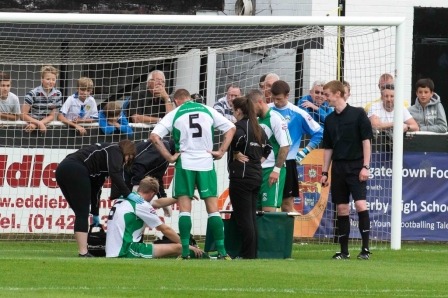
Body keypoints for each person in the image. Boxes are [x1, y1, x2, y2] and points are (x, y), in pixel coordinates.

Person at [150, 88, 236, 260]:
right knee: (213, 210)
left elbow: (154, 136)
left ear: (176, 101)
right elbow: (231, 128)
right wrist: (221, 151)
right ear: (190, 98)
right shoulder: (206, 109)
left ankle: (184, 252)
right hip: (205, 161)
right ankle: (222, 252)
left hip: (185, 162)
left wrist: (169, 157)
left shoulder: (175, 113)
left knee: (185, 210)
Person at [56, 140, 143, 257]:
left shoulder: (100, 166)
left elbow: (96, 189)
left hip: (62, 169)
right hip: (76, 168)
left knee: (80, 212)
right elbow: (115, 173)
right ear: (126, 151)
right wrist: (128, 193)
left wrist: (95, 213)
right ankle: (83, 252)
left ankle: (83, 249)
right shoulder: (115, 150)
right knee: (82, 213)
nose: (126, 160)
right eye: (128, 157)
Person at [320, 80, 373, 260]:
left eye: (327, 94)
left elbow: (366, 141)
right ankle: (344, 251)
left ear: (338, 94)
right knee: (342, 208)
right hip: (339, 168)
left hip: (356, 166)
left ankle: (365, 249)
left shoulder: (358, 114)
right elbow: (328, 148)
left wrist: (365, 166)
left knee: (360, 205)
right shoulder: (329, 119)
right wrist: (325, 172)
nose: (325, 98)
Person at [106, 176, 203, 259]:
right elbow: (165, 230)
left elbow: (157, 203)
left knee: (171, 247)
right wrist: (187, 246)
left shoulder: (127, 198)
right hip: (126, 250)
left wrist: (179, 197)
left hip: (111, 251)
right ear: (152, 193)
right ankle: (204, 256)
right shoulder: (142, 204)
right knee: (180, 248)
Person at [228, 96, 271, 259]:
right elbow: (268, 149)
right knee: (251, 217)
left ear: (238, 111)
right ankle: (251, 253)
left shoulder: (237, 128)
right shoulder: (258, 128)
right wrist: (256, 161)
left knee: (244, 218)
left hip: (241, 177)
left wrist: (234, 153)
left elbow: (230, 145)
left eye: (233, 110)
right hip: (256, 175)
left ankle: (247, 255)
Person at [269, 80, 323, 212]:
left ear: (287, 96)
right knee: (265, 204)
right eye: (274, 98)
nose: (276, 102)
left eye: (279, 99)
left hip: (288, 162)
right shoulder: (266, 110)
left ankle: (287, 233)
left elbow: (319, 132)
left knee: (287, 204)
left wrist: (304, 152)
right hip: (267, 162)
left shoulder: (298, 113)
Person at [247, 89, 291, 212]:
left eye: (251, 107)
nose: (250, 110)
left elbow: (285, 146)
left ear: (260, 102)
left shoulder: (275, 118)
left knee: (268, 212)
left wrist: (276, 170)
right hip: (257, 170)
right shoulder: (255, 120)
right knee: (255, 212)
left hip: (271, 170)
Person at [368, 84, 419, 151]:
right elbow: (375, 125)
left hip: (396, 145)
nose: (389, 99)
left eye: (392, 96)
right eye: (386, 96)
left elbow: (416, 127)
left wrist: (407, 127)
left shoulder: (401, 108)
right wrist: (395, 124)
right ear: (382, 97)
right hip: (378, 145)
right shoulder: (375, 107)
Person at [22, 65, 62, 133]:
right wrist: (38, 123)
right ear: (42, 79)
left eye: (53, 79)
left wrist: (40, 123)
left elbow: (52, 116)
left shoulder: (58, 94)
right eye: (48, 79)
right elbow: (23, 115)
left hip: (45, 127)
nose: (51, 82)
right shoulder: (33, 93)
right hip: (30, 127)